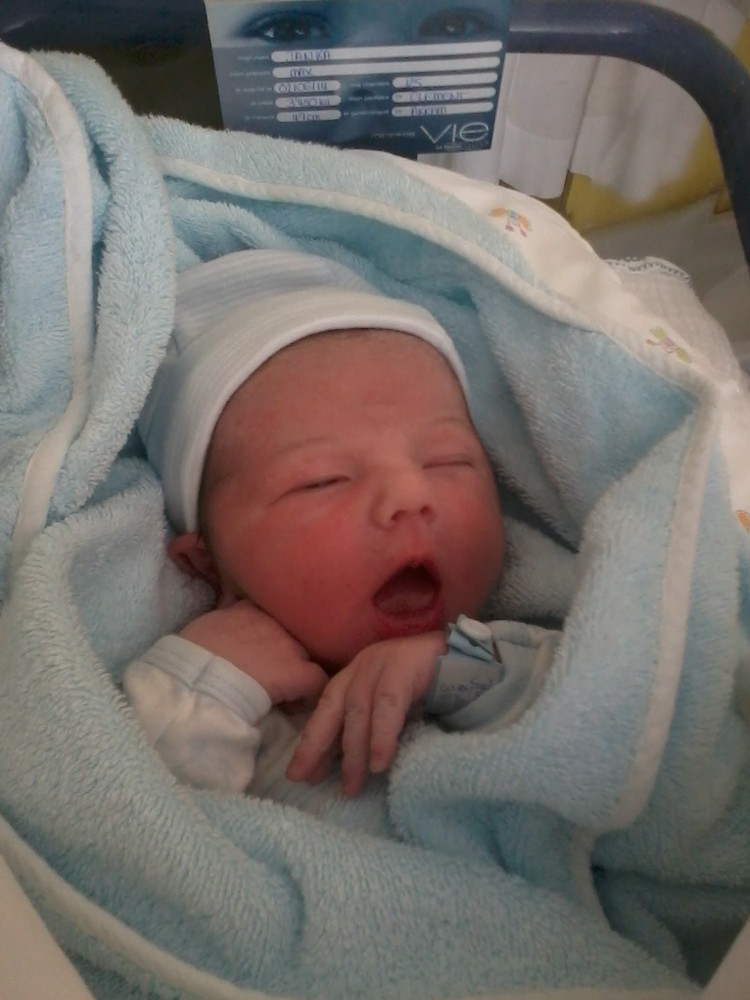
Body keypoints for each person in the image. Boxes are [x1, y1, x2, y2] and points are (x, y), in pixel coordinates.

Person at [126, 248, 557, 826]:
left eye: (448, 462)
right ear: (207, 565)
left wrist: (451, 666)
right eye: (323, 481)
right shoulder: (207, 696)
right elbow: (114, 822)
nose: (410, 494)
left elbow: (598, 720)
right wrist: (202, 683)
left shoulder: (511, 655)